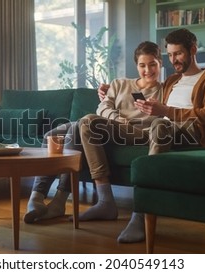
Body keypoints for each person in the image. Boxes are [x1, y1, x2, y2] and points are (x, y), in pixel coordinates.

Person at [78, 28, 205, 243]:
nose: (174, 59)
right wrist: (108, 88)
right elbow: (141, 86)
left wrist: (166, 112)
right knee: (88, 122)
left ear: (193, 50)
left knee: (159, 124)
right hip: (155, 131)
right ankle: (105, 201)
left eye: (179, 53)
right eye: (171, 54)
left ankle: (140, 213)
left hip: (190, 132)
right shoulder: (171, 81)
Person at [24, 41, 164, 224]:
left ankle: (59, 200)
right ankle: (37, 196)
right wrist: (119, 119)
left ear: (160, 62)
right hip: (111, 125)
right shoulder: (120, 84)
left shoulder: (164, 90)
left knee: (84, 124)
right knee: (52, 135)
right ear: (136, 65)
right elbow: (103, 108)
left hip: (137, 132)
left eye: (153, 64)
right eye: (142, 65)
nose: (148, 70)